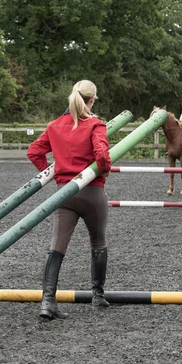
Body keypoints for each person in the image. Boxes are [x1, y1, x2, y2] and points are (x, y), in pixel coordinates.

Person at [27, 80, 112, 320]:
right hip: (92, 191)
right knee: (98, 242)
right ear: (92, 100)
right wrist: (103, 172)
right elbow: (102, 156)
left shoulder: (54, 125)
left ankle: (47, 301)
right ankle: (97, 295)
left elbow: (34, 151)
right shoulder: (96, 124)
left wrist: (53, 172)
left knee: (56, 247)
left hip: (64, 194)